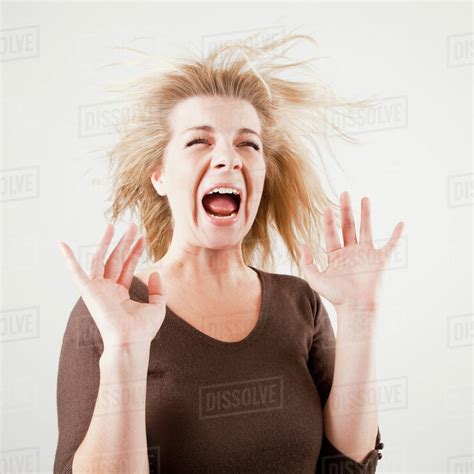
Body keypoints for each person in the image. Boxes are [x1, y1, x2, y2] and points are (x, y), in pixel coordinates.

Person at [54, 31, 402, 473]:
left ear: (261, 173)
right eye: (199, 141)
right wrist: (123, 348)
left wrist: (360, 314)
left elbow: (345, 467)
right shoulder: (110, 311)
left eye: (248, 144)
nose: (228, 158)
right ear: (159, 175)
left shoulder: (300, 304)